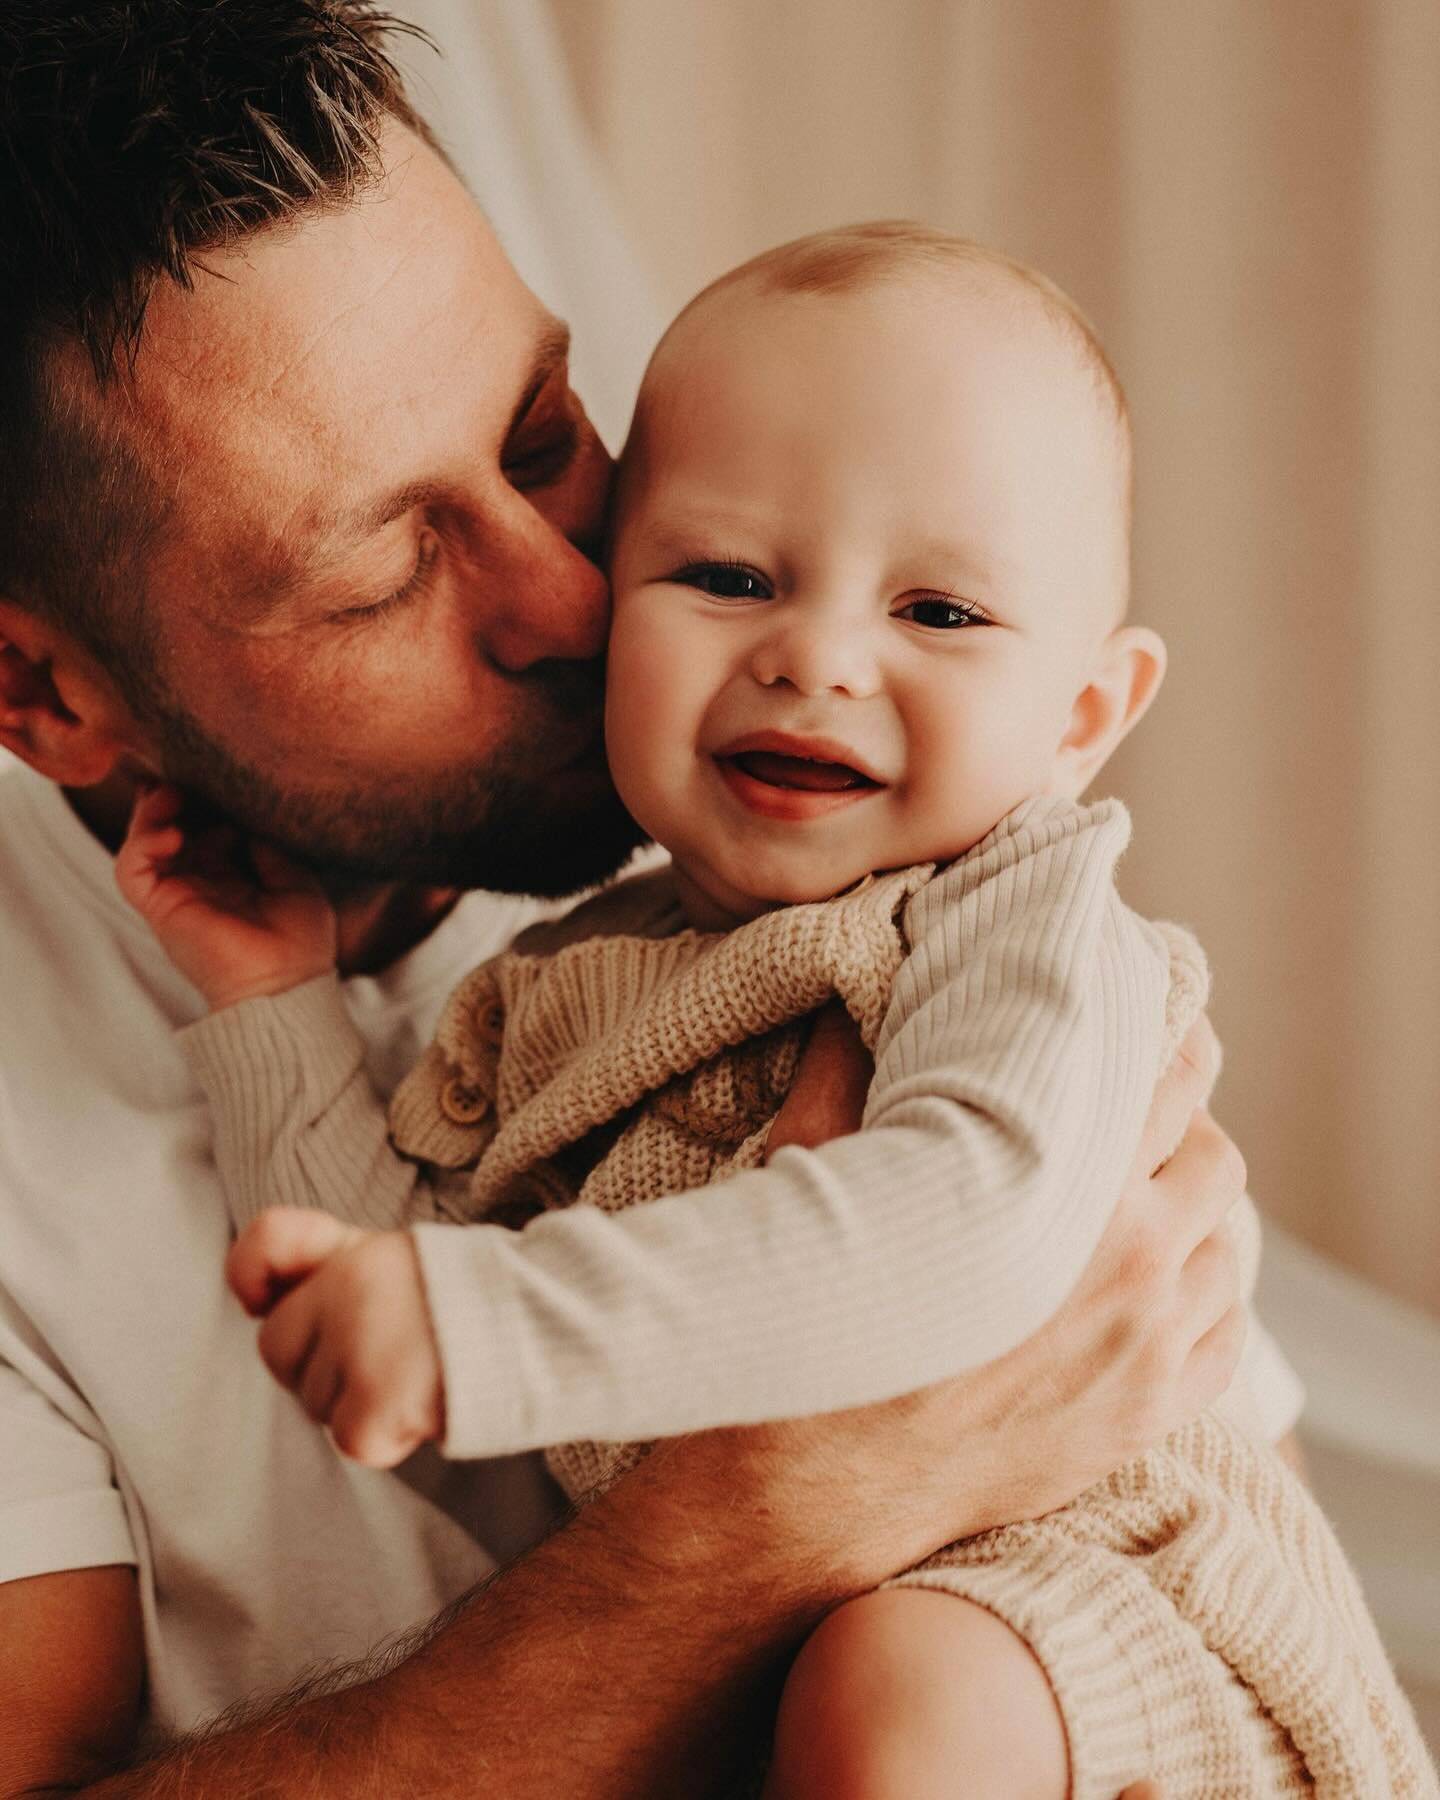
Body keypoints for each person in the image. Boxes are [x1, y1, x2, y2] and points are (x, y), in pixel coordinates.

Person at [1, 6, 1256, 1795]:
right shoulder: (606, 955)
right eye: (381, 573)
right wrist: (782, 1509)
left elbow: (1152, 1384)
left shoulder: (903, 876)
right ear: (43, 696)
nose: (584, 606)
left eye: (539, 438)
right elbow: (412, 1277)